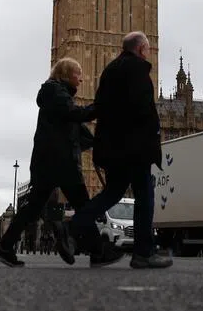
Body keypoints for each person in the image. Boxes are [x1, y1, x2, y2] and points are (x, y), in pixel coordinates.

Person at [68, 32, 169, 269]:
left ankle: (72, 225)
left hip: (111, 147)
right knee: (145, 196)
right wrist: (152, 138)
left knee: (112, 193)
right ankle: (143, 253)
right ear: (141, 49)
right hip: (134, 148)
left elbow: (101, 106)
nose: (149, 53)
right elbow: (143, 110)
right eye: (147, 49)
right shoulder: (138, 70)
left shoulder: (110, 70)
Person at [0, 58, 97, 268]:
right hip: (60, 162)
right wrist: (99, 107)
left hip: (50, 161)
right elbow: (76, 115)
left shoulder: (58, 95)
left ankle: (4, 246)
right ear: (66, 75)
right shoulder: (55, 93)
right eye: (78, 74)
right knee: (83, 206)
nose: (81, 79)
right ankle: (87, 244)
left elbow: (78, 129)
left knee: (34, 207)